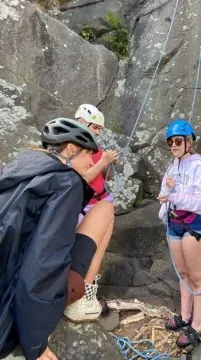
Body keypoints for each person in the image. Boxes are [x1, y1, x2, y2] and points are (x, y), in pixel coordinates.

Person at [0, 118, 114, 360]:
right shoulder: (67, 182)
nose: (92, 162)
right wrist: (34, 344)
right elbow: (42, 262)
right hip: (10, 305)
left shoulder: (19, 167)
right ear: (71, 149)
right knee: (104, 210)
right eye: (88, 155)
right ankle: (83, 299)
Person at [158, 119, 201, 348]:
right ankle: (184, 315)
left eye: (178, 141)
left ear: (189, 142)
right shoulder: (173, 167)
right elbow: (164, 192)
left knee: (197, 277)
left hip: (194, 223)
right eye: (171, 142)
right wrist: (168, 194)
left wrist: (173, 196)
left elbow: (200, 201)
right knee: (182, 273)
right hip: (174, 222)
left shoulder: (200, 168)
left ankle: (196, 326)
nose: (173, 145)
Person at [63, 105, 118, 322]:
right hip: (86, 205)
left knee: (97, 249)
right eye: (95, 127)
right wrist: (104, 161)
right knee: (87, 250)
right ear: (82, 122)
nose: (96, 132)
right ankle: (80, 294)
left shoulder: (93, 148)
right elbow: (83, 177)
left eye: (99, 129)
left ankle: (86, 293)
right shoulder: (76, 148)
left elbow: (102, 177)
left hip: (100, 200)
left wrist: (108, 164)